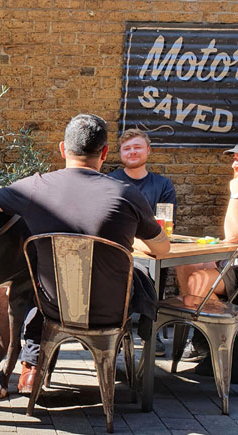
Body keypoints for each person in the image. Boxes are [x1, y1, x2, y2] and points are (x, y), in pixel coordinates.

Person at [0, 114, 170, 394]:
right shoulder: (127, 194)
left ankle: (32, 366)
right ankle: (117, 361)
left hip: (55, 307)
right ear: (104, 153)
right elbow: (162, 248)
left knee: (39, 287)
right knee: (142, 282)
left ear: (63, 150)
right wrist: (129, 242)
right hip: (111, 312)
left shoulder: (34, 187)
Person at [108, 129, 177, 357]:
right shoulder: (110, 180)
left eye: (137, 147)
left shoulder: (162, 184)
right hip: (117, 250)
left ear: (148, 150)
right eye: (127, 148)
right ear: (120, 154)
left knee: (158, 263)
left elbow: (166, 224)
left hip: (149, 249)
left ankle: (150, 330)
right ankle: (118, 331)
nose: (132, 152)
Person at [175, 144, 238, 376]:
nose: (233, 163)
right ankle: (201, 335)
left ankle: (219, 344)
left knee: (198, 281)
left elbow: (233, 235)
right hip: (233, 260)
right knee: (186, 265)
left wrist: (235, 191)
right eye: (233, 158)